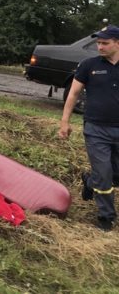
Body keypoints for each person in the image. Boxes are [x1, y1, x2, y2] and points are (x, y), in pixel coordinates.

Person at [59, 24, 119, 231]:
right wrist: (65, 122)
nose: (100, 47)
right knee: (104, 174)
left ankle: (89, 181)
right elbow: (73, 94)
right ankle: (106, 217)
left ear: (117, 43)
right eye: (98, 43)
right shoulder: (88, 65)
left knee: (114, 175)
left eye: (105, 43)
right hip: (96, 129)